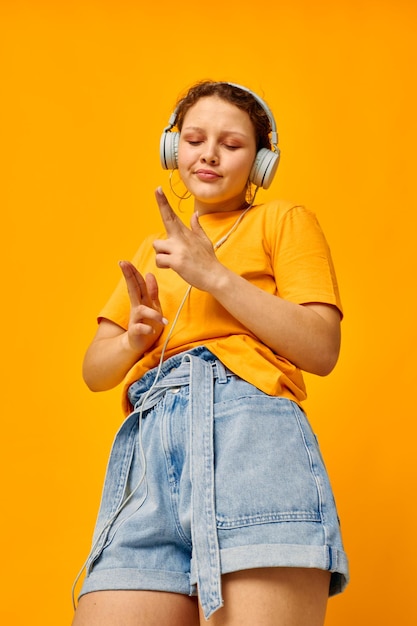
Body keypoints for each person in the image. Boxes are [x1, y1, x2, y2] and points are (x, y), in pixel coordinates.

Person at [72, 80, 349, 626]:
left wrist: (215, 276)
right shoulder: (156, 251)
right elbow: (93, 372)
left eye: (232, 143)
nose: (210, 154)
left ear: (261, 161)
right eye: (195, 139)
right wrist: (133, 341)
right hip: (151, 458)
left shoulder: (283, 220)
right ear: (174, 150)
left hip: (253, 445)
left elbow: (321, 347)